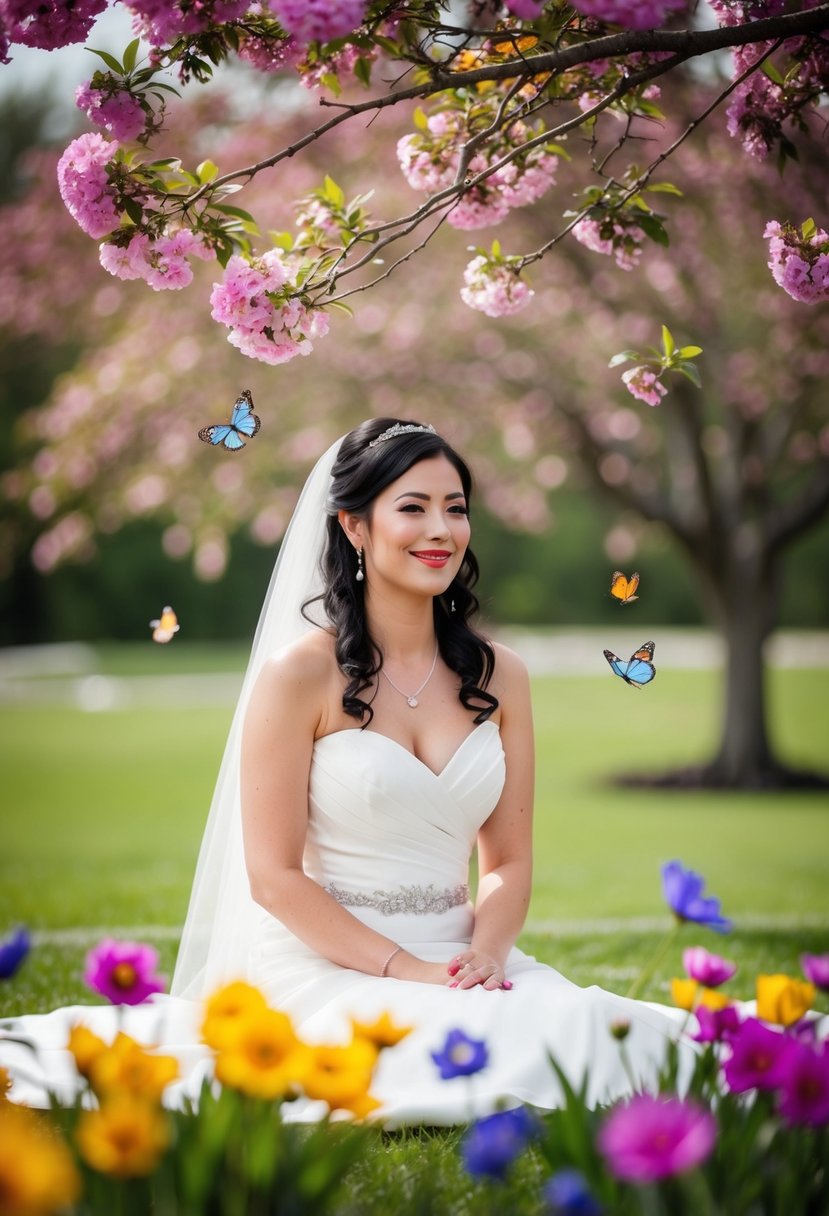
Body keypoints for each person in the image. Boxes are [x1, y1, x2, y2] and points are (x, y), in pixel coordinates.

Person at [0, 417, 692, 1124]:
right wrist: (408, 971)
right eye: (413, 507)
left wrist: (483, 956)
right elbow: (273, 878)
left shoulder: (501, 675)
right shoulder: (299, 675)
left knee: (596, 1033)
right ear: (353, 528)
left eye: (455, 508)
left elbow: (508, 860)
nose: (441, 529)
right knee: (471, 1045)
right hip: (325, 967)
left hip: (464, 959)